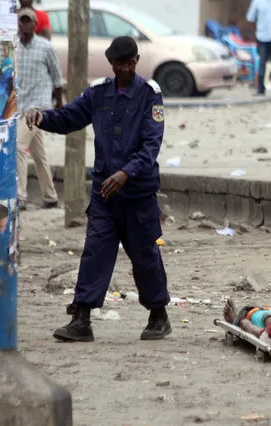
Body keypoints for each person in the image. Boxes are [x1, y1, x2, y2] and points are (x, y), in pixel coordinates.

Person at [25, 36, 172, 343]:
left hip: (138, 194)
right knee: (95, 252)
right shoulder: (98, 93)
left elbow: (150, 146)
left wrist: (126, 173)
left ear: (136, 60)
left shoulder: (149, 95)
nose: (127, 68)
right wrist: (43, 118)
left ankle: (158, 314)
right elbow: (69, 118)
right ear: (112, 63)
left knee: (145, 256)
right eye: (122, 63)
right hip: (105, 194)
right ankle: (82, 318)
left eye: (132, 62)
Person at [16, 8, 63, 210]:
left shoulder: (45, 47)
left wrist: (59, 104)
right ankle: (51, 196)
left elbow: (57, 77)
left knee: (18, 146)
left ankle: (20, 198)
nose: (25, 24)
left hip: (38, 107)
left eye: (29, 21)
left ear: (35, 25)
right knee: (38, 153)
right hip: (20, 105)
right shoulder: (13, 47)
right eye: (22, 21)